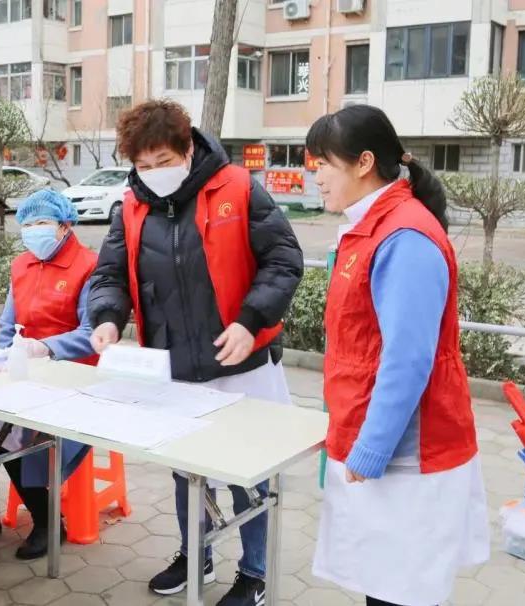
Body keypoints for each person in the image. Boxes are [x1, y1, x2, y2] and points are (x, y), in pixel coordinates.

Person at [87, 99, 303, 603]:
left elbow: (284, 260)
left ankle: (254, 572)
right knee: (187, 470)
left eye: (164, 162)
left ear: (187, 150)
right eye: (143, 166)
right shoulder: (133, 206)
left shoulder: (237, 188)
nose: (155, 174)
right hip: (175, 366)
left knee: (247, 472)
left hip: (241, 364)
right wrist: (106, 320)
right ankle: (197, 553)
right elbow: (110, 274)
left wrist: (251, 321)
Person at [306, 105, 489, 606]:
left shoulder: (404, 236)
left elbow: (408, 360)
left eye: (323, 162)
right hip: (379, 443)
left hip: (409, 455)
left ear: (364, 162)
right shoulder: (374, 226)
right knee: (382, 589)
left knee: (401, 594)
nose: (314, 175)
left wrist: (371, 447)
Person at [0, 190, 97, 560]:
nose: (33, 231)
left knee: (11, 432)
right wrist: (0, 364)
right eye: (26, 225)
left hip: (72, 379)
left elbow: (92, 332)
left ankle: (48, 523)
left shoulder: (89, 266)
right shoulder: (22, 265)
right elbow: (8, 326)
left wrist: (47, 347)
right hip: (24, 373)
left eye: (41, 223)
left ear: (64, 225)